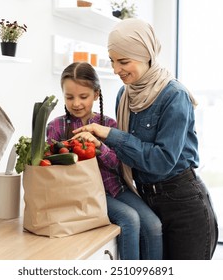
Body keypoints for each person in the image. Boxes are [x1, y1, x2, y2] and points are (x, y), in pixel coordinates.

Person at [72, 18, 218, 260]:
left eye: (123, 61)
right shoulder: (125, 95)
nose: (116, 69)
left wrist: (111, 135)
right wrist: (100, 147)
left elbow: (162, 160)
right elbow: (126, 154)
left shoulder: (175, 96)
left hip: (185, 206)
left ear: (145, 55)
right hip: (147, 199)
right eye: (112, 61)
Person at [46, 62, 163, 260]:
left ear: (96, 94)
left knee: (153, 225)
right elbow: (51, 171)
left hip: (116, 189)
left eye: (83, 96)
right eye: (69, 97)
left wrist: (101, 148)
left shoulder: (109, 124)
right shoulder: (56, 127)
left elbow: (121, 165)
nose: (76, 103)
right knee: (130, 219)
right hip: (85, 196)